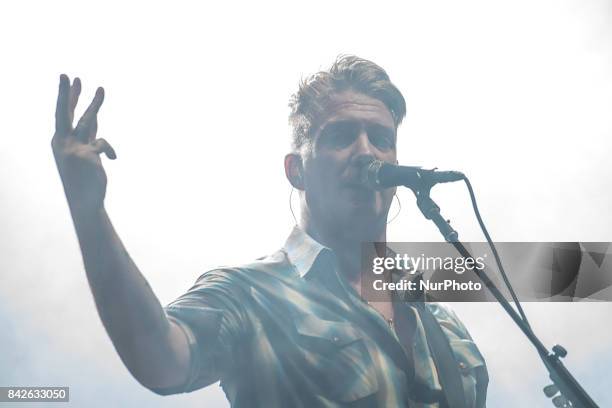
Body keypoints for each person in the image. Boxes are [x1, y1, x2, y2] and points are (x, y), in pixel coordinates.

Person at [52, 55, 488, 407]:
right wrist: (89, 213)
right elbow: (160, 358)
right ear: (296, 170)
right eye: (340, 136)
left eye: (380, 137)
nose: (365, 151)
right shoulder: (250, 294)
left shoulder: (439, 319)